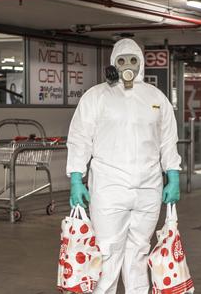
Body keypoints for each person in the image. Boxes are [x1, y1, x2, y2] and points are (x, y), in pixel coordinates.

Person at [66, 38, 182, 294]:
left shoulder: (156, 98)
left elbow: (167, 140)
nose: (128, 65)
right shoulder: (96, 96)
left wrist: (172, 175)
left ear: (141, 63)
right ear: (112, 64)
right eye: (122, 60)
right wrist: (76, 177)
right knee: (107, 252)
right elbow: (79, 138)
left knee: (139, 253)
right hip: (109, 186)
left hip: (148, 188)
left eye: (133, 60)